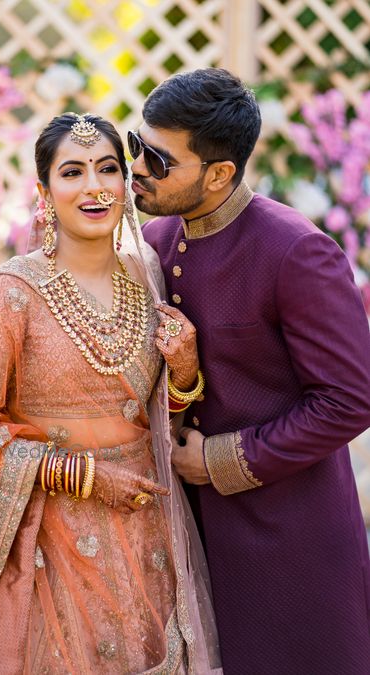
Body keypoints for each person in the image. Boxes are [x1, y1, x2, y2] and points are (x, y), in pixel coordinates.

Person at [0, 112, 222, 674]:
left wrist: (183, 371)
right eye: (73, 172)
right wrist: (81, 475)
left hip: (148, 527)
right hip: (49, 540)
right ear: (44, 190)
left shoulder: (150, 273)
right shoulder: (12, 293)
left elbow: (159, 416)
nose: (94, 187)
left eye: (108, 169)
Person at [132, 68, 370, 675]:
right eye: (137, 147)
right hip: (182, 540)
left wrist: (216, 460)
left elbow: (349, 399)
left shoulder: (295, 250)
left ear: (219, 173)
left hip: (289, 546)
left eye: (159, 160)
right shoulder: (152, 242)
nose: (138, 168)